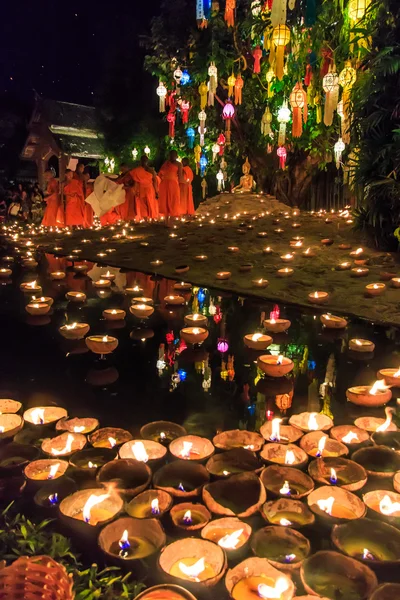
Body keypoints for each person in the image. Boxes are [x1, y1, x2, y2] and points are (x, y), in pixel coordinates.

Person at [130, 155, 159, 221]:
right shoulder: (138, 170)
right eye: (143, 160)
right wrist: (136, 190)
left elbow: (154, 181)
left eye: (145, 160)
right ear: (141, 161)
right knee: (142, 204)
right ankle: (145, 219)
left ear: (147, 161)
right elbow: (136, 181)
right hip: (141, 188)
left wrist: (156, 191)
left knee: (150, 203)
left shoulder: (151, 170)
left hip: (149, 188)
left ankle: (151, 218)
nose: (144, 162)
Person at [158, 150, 182, 225]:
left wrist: (184, 183)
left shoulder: (179, 164)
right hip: (164, 184)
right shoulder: (166, 163)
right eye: (171, 155)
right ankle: (166, 219)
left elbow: (180, 176)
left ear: (176, 156)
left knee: (173, 200)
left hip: (173, 184)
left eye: (174, 155)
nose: (172, 156)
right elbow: (160, 174)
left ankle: (171, 219)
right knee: (165, 201)